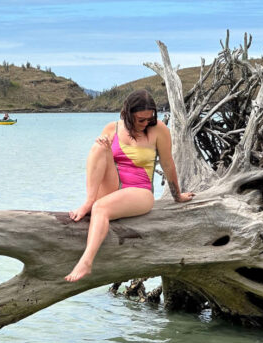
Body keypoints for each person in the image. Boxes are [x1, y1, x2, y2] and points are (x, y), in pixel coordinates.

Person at [64, 89, 195, 282]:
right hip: (113, 187)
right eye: (140, 119)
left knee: (101, 208)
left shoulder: (159, 129)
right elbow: (100, 163)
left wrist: (178, 196)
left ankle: (87, 261)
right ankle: (88, 202)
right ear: (127, 114)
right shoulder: (111, 128)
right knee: (99, 146)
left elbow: (168, 164)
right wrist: (104, 145)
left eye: (149, 119)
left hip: (140, 192)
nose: (145, 124)